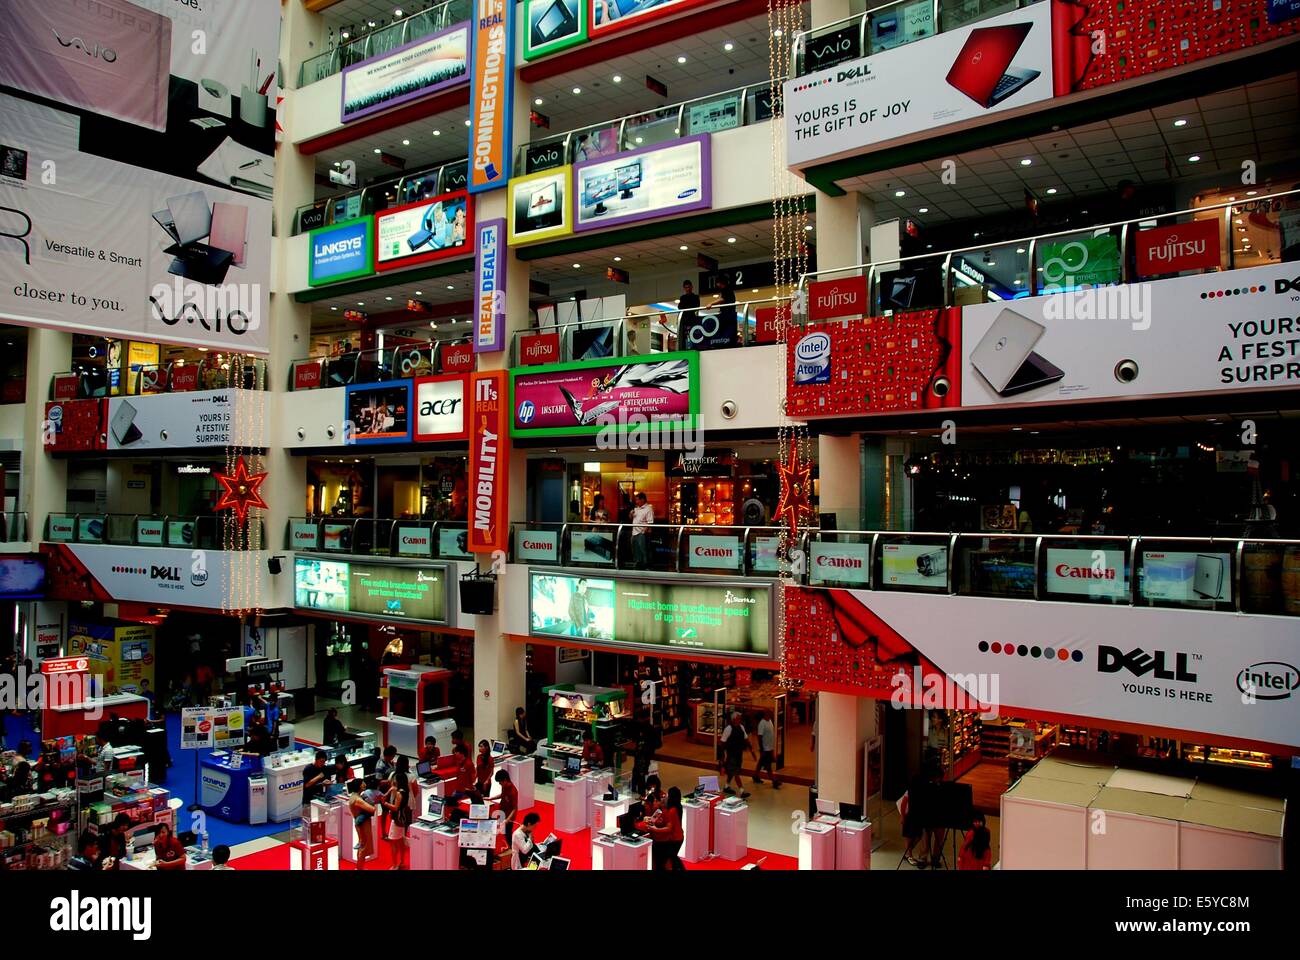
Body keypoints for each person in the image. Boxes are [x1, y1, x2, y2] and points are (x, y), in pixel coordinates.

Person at [383, 759, 412, 870]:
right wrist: (388, 792)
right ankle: (402, 862)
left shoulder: (399, 794)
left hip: (397, 819)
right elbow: (393, 788)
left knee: (394, 842)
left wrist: (385, 803)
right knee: (400, 840)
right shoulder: (405, 791)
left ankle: (395, 865)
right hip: (403, 818)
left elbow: (395, 808)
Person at [648, 786, 685, 870]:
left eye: (668, 794)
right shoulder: (678, 807)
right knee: (673, 859)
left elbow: (669, 828)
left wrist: (655, 829)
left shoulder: (672, 810)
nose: (665, 796)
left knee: (671, 859)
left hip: (674, 839)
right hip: (678, 837)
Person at [719, 712, 755, 798]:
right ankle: (742, 791)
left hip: (739, 754)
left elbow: (746, 739)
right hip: (731, 754)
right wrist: (722, 758)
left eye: (740, 718)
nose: (740, 720)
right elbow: (722, 743)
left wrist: (752, 751)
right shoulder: (728, 729)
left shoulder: (741, 727)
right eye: (738, 718)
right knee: (736, 773)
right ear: (733, 719)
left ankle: (726, 787)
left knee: (733, 772)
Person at [348, 778, 378, 869]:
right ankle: (359, 868)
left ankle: (360, 867)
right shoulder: (358, 799)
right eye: (363, 783)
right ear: (359, 786)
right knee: (363, 847)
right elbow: (372, 809)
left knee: (362, 845)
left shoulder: (354, 796)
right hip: (363, 825)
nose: (365, 784)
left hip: (361, 823)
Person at [753, 709, 781, 789]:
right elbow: (760, 737)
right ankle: (774, 781)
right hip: (765, 748)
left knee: (761, 763)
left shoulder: (770, 721)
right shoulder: (762, 723)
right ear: (766, 714)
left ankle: (755, 776)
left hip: (769, 748)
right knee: (768, 766)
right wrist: (762, 749)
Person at [630, 492, 654, 569]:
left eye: (637, 500)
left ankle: (647, 565)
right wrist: (630, 514)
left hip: (642, 533)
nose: (636, 502)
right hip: (634, 532)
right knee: (635, 549)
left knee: (644, 550)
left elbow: (650, 522)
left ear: (643, 499)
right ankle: (638, 563)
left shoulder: (648, 508)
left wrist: (644, 532)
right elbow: (631, 518)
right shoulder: (636, 508)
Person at [495, 769, 518, 842]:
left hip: (509, 816)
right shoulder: (504, 786)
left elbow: (515, 808)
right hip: (502, 812)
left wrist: (507, 820)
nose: (499, 784)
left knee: (508, 834)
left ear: (505, 780)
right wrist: (491, 798)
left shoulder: (513, 791)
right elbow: (503, 795)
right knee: (501, 831)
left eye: (500, 782)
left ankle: (511, 848)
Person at [676, 280, 701, 345]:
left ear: (691, 287)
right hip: (684, 318)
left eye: (688, 287)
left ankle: (693, 345)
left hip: (692, 318)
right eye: (686, 287)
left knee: (693, 333)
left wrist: (686, 306)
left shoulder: (695, 297)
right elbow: (680, 307)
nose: (687, 289)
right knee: (683, 334)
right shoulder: (683, 297)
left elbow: (696, 306)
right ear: (684, 288)